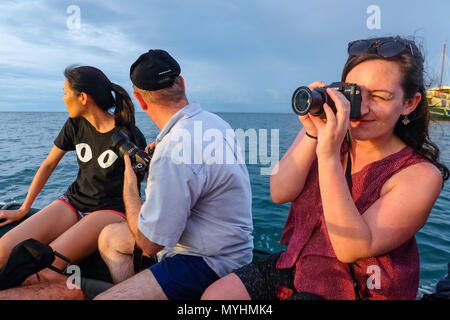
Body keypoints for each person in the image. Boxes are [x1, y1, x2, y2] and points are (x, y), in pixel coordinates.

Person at [202, 36, 450, 300]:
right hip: (302, 265)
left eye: (379, 96)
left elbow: (350, 248)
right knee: (216, 297)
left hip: (360, 289)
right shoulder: (326, 135)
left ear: (409, 104)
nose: (362, 108)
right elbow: (279, 192)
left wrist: (329, 156)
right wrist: (311, 133)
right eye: (354, 94)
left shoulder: (419, 175)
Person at [94, 49, 253, 300]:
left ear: (140, 100)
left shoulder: (173, 151)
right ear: (181, 83)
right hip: (236, 250)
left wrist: (130, 186)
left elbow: (149, 244)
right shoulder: (215, 123)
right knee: (109, 238)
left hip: (208, 262)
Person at [0, 66, 147, 296]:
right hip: (73, 202)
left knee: (46, 269)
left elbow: (139, 182)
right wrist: (24, 208)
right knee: (4, 249)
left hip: (109, 211)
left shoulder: (129, 136)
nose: (63, 98)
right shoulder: (75, 125)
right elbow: (48, 165)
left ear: (83, 97)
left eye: (65, 92)